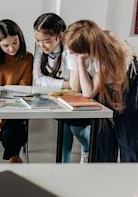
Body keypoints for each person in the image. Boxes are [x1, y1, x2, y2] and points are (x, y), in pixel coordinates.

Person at [63, 20, 138, 162]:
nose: (69, 52)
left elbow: (89, 93)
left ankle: (130, 178)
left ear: (87, 49)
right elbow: (76, 88)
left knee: (127, 138)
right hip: (104, 86)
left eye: (74, 51)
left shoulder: (106, 54)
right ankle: (102, 176)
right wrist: (78, 61)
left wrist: (80, 60)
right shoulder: (74, 47)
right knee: (103, 138)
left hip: (127, 85)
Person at [33, 13, 90, 163]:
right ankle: (64, 165)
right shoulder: (40, 47)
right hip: (58, 95)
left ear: (60, 36)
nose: (41, 45)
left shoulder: (70, 49)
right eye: (37, 40)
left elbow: (75, 86)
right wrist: (64, 83)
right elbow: (37, 80)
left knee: (75, 129)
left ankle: (87, 149)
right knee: (65, 129)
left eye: (46, 41)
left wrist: (62, 83)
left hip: (81, 94)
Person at [0, 19, 33, 163]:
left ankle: (15, 160)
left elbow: (24, 89)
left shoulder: (27, 58)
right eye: (5, 45)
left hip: (15, 107)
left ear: (20, 38)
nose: (12, 48)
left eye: (15, 42)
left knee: (11, 134)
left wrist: (5, 115)